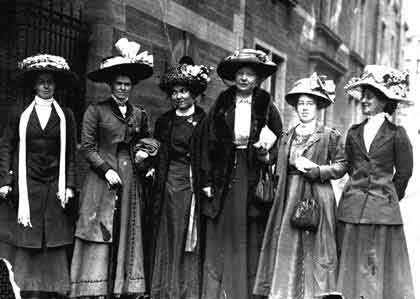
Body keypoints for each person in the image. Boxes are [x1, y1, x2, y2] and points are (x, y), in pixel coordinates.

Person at [70, 38, 154, 299]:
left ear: (133, 86)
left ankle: (122, 287)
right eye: (118, 84)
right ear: (110, 85)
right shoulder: (96, 110)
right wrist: (105, 169)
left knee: (125, 227)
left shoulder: (138, 114)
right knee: (100, 227)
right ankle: (93, 288)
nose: (123, 88)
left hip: (130, 175)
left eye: (127, 84)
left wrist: (145, 155)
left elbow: (147, 139)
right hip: (102, 175)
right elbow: (87, 146)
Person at [254, 73, 347, 299]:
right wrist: (263, 153)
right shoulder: (288, 136)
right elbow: (274, 161)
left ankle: (314, 293)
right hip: (289, 195)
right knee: (288, 243)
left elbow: (342, 165)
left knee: (316, 247)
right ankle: (287, 291)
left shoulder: (329, 135)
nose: (304, 108)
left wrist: (318, 170)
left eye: (310, 104)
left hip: (318, 195)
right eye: (301, 104)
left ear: (318, 107)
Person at [200, 49, 283, 299]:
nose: (244, 78)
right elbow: (206, 141)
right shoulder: (222, 102)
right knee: (223, 228)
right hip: (224, 172)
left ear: (257, 79)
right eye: (240, 73)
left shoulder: (267, 104)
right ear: (234, 77)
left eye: (249, 74)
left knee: (249, 229)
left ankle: (245, 291)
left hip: (252, 173)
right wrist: (206, 179)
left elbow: (279, 140)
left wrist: (267, 152)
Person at [0, 54, 78, 298]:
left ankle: (53, 290)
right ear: (34, 85)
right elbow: (6, 146)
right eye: (42, 81)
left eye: (50, 82)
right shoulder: (20, 114)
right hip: (28, 183)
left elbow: (72, 154)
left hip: (55, 182)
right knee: (29, 235)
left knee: (53, 236)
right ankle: (26, 288)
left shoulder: (65, 115)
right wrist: (5, 180)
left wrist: (70, 185)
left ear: (55, 85)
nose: (46, 85)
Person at [336, 65, 415, 299]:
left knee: (376, 267)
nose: (364, 99)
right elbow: (350, 167)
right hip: (351, 209)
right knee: (351, 266)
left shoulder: (397, 133)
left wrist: (387, 197)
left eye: (371, 94)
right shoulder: (353, 132)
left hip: (382, 212)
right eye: (364, 94)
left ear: (384, 99)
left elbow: (404, 173)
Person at [150, 56, 211, 299]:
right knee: (170, 232)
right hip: (169, 181)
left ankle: (187, 289)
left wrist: (206, 182)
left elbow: (208, 153)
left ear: (193, 93)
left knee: (190, 231)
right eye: (174, 92)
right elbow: (159, 151)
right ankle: (167, 288)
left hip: (193, 181)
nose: (178, 96)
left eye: (184, 91)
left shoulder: (204, 120)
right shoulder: (165, 120)